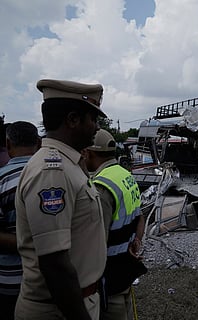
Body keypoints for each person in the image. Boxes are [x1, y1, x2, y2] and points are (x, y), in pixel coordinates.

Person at [14, 79, 108, 320]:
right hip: (60, 309)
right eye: (93, 119)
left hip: (76, 301)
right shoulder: (52, 170)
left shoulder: (69, 164)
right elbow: (54, 264)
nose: (97, 127)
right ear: (73, 119)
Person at [83, 129, 146, 320]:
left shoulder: (101, 186)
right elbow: (140, 216)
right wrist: (136, 241)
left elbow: (96, 242)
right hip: (126, 268)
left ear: (88, 153)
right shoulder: (125, 175)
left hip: (109, 278)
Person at [0, 121, 40, 320]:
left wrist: (26, 244)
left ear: (8, 145)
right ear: (39, 144)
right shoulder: (57, 176)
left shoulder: (2, 179)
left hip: (10, 281)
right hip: (49, 280)